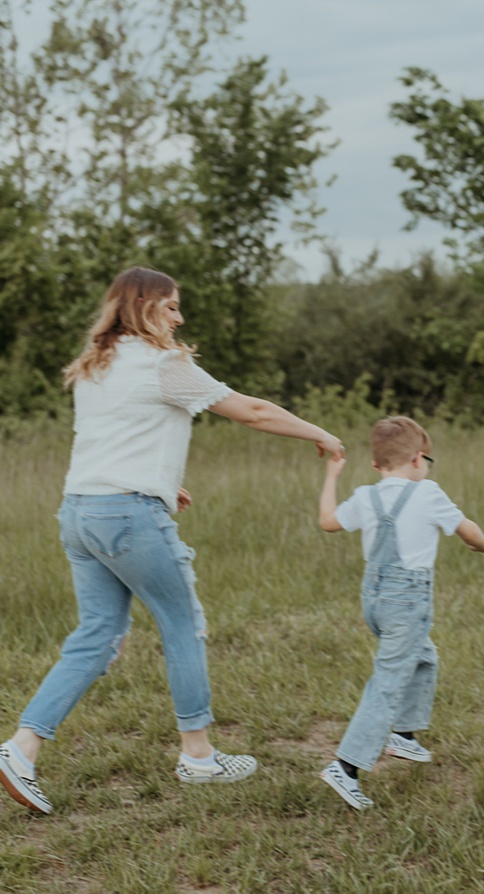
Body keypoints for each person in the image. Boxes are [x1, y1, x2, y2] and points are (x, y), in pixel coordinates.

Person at [0, 267, 345, 815]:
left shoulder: (98, 364)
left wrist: (161, 485)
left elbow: (115, 438)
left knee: (95, 636)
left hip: (81, 513)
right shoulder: (166, 365)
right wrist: (320, 433)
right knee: (182, 624)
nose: (180, 318)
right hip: (127, 515)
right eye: (172, 306)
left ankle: (21, 750)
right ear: (144, 307)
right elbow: (251, 411)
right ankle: (199, 757)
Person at [317, 415, 484, 810]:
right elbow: (467, 529)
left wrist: (332, 475)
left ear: (377, 466)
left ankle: (405, 736)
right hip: (406, 603)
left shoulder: (366, 495)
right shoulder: (428, 493)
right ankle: (345, 767)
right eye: (427, 460)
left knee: (424, 656)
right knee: (388, 681)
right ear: (418, 459)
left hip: (374, 601)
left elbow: (327, 522)